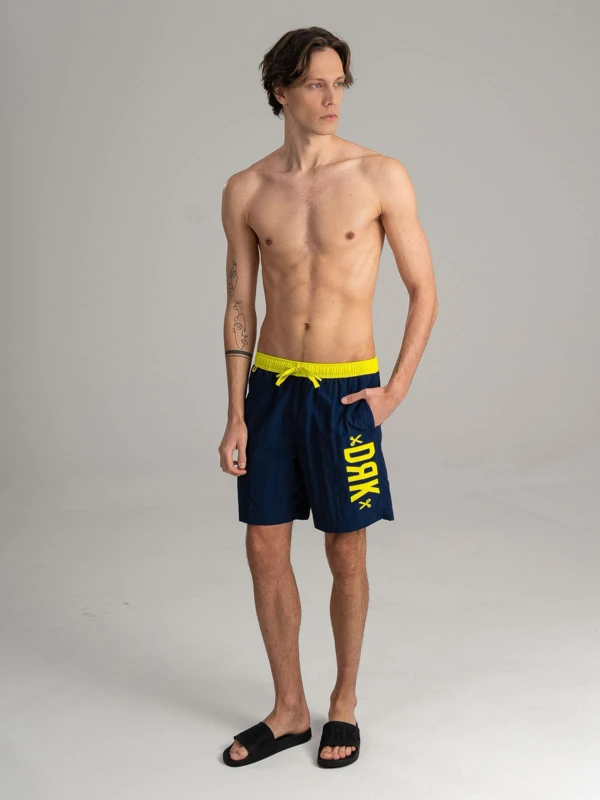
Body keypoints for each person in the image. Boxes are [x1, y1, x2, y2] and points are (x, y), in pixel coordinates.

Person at [218, 26, 438, 768]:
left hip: (347, 395)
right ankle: (288, 709)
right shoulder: (247, 189)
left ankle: (343, 701)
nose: (331, 96)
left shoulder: (380, 175)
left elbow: (424, 290)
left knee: (346, 548)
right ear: (280, 90)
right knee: (263, 546)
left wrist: (393, 392)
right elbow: (239, 305)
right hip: (273, 389)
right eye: (316, 83)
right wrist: (236, 412)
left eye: (339, 82)